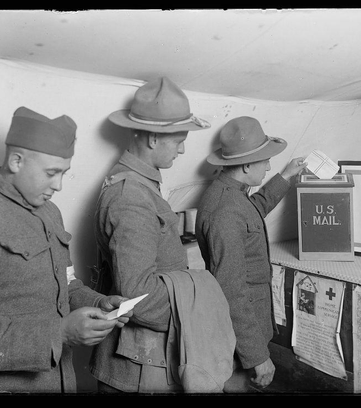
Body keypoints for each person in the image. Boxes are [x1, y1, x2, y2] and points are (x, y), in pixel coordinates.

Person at [0, 107, 131, 394]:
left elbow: (65, 285)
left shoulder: (50, 213)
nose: (58, 185)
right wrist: (59, 333)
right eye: (51, 173)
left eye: (64, 174)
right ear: (16, 161)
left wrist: (99, 304)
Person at [89, 77, 211, 393]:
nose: (183, 149)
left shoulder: (141, 185)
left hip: (147, 358)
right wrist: (197, 308)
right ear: (154, 138)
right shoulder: (131, 196)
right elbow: (138, 297)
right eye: (178, 140)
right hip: (139, 368)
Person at [195, 116, 306, 390]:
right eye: (265, 161)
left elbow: (253, 210)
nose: (269, 166)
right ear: (246, 165)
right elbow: (231, 288)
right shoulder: (225, 211)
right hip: (240, 340)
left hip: (245, 334)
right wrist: (256, 356)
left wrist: (286, 176)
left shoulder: (230, 194)